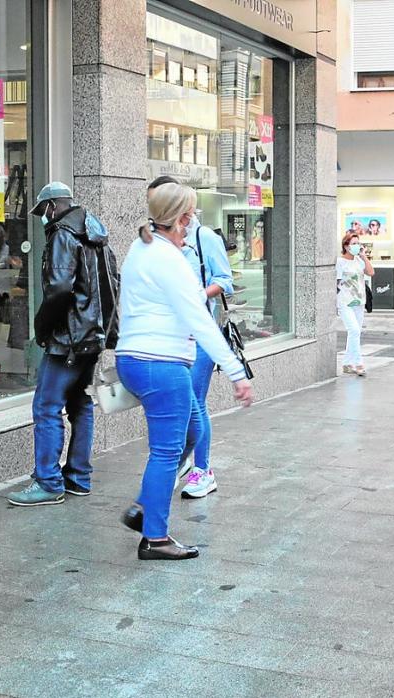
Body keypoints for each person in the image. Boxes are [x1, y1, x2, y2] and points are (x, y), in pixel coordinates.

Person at [117, 182, 254, 560]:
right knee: (166, 451)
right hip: (161, 364)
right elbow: (200, 320)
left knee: (192, 430)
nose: (192, 220)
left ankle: (145, 507)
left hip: (135, 359)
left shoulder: (141, 247)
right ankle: (155, 538)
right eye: (190, 214)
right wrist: (236, 372)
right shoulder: (169, 259)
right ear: (182, 218)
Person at [7, 182, 117, 506]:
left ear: (53, 206)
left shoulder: (63, 234)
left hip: (67, 340)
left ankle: (48, 482)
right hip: (91, 337)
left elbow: (57, 289)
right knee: (81, 404)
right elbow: (114, 284)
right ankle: (78, 478)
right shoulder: (96, 235)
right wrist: (105, 333)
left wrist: (41, 328)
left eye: (42, 211)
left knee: (46, 406)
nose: (42, 219)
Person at [146, 176, 232, 499]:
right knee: (176, 403)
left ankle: (202, 469)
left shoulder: (203, 237)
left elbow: (225, 280)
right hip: (169, 335)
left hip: (201, 334)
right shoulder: (155, 239)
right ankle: (175, 461)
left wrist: (196, 295)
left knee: (194, 403)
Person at [337, 230, 374, 377]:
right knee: (354, 331)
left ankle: (347, 363)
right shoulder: (340, 262)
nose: (357, 246)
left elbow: (371, 272)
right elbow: (336, 282)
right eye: (353, 244)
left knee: (355, 333)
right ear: (346, 246)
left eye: (358, 243)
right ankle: (358, 363)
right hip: (345, 302)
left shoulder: (359, 261)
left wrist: (364, 256)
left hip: (359, 301)